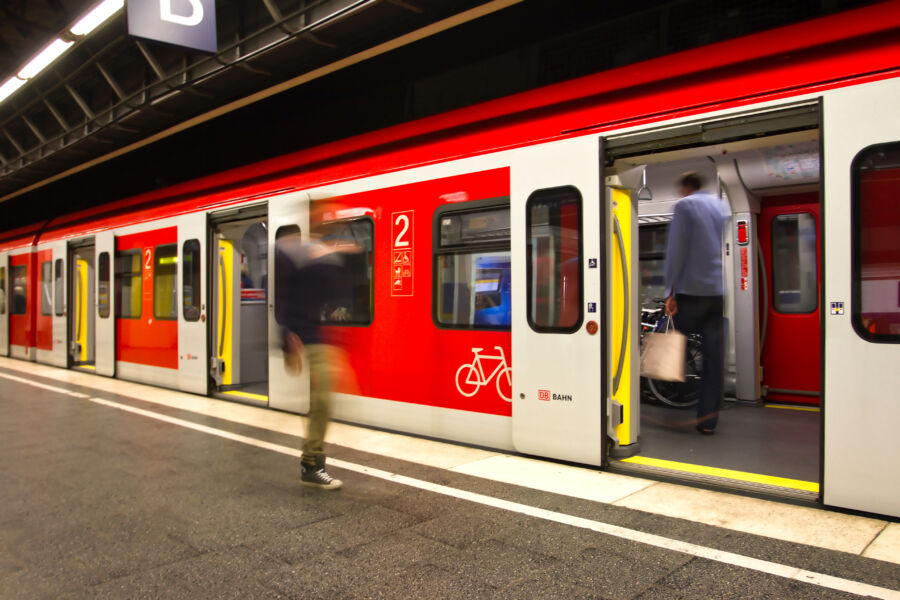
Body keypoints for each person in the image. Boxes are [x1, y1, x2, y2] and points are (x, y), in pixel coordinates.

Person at [275, 224, 355, 489]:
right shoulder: (289, 255)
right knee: (323, 398)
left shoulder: (311, 254)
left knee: (324, 398)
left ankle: (312, 461)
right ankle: (311, 465)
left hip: (316, 335)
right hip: (304, 336)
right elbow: (284, 299)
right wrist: (287, 336)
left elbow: (327, 291)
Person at [663, 172, 728, 434]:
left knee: (670, 343)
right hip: (715, 293)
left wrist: (671, 291)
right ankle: (708, 421)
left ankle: (670, 395)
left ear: (686, 187)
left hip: (690, 292)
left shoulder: (685, 206)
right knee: (713, 360)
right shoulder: (719, 206)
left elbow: (676, 250)